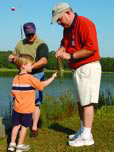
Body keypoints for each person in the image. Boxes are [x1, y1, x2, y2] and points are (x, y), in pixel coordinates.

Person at [51, 2, 102, 147]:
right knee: (80, 101)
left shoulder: (85, 23)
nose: (59, 23)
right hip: (77, 69)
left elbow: (91, 48)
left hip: (88, 67)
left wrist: (69, 56)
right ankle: (83, 130)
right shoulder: (67, 28)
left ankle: (87, 137)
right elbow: (64, 43)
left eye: (59, 19)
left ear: (67, 13)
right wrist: (61, 49)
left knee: (87, 102)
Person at [8, 54, 57, 152]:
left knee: (16, 126)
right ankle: (19, 146)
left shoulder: (15, 78)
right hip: (27, 110)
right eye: (31, 64)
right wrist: (52, 77)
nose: (32, 66)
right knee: (24, 127)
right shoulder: (30, 78)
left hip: (16, 108)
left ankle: (11, 144)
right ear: (24, 66)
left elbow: (13, 93)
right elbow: (42, 85)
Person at [8, 22, 49, 137]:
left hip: (37, 75)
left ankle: (34, 127)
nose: (30, 37)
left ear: (35, 31)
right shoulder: (20, 43)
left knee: (36, 102)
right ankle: (18, 125)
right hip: (21, 77)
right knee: (19, 101)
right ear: (25, 33)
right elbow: (14, 56)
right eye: (28, 34)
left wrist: (31, 67)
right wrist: (11, 58)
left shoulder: (41, 44)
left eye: (32, 34)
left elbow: (44, 60)